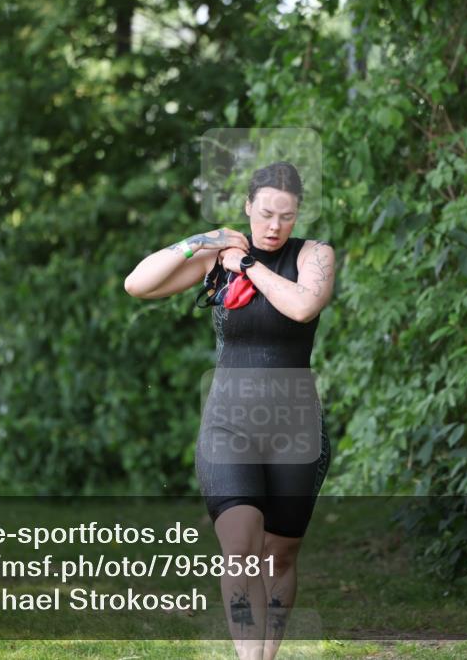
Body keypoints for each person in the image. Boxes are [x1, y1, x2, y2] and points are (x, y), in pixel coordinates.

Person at [125, 161, 335, 660]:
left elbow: (303, 306)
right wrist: (204, 240)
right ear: (248, 207)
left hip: (295, 429)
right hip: (228, 425)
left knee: (279, 555)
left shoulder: (313, 255)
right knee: (240, 547)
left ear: (298, 214)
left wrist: (246, 266)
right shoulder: (220, 254)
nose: (274, 226)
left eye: (286, 215)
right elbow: (138, 284)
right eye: (265, 213)